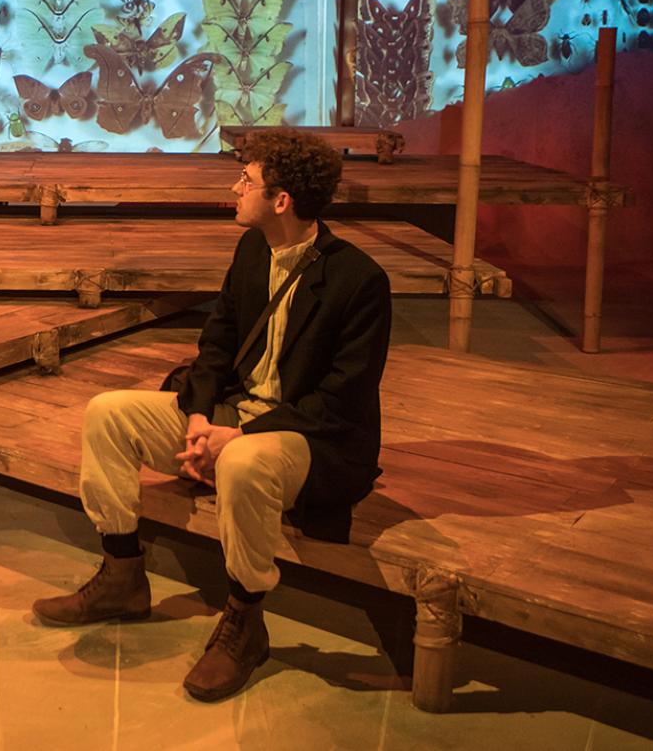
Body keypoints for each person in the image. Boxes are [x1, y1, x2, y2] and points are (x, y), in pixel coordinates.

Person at [31, 131, 392, 701]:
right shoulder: (252, 250)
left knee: (244, 462)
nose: (234, 188)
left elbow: (340, 400)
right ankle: (122, 575)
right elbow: (217, 344)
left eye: (245, 181)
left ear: (281, 201)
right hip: (231, 413)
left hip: (307, 438)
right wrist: (200, 418)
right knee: (109, 413)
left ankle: (244, 620)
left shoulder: (360, 281)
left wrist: (237, 434)